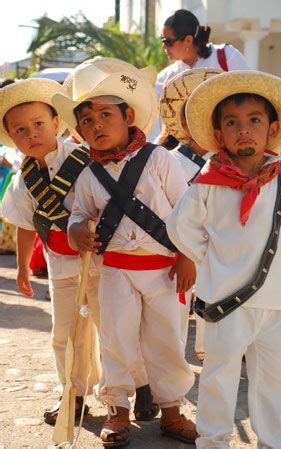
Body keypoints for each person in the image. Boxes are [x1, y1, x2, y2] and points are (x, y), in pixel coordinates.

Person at [52, 59, 197, 446]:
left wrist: (188, 256)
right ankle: (118, 411)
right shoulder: (86, 175)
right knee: (116, 340)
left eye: (104, 114)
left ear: (128, 115)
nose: (95, 125)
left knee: (166, 340)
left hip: (166, 270)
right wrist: (78, 229)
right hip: (115, 270)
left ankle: (171, 411)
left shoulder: (161, 159)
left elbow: (187, 211)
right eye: (86, 120)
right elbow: (78, 214)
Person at [166, 70, 281, 448]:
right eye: (232, 123)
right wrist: (209, 258)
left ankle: (275, 437)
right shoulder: (207, 182)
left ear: (272, 129)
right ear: (219, 133)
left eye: (254, 120)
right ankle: (213, 440)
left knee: (275, 375)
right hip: (225, 299)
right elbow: (180, 226)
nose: (244, 130)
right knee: (219, 374)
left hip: (273, 301)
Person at [0, 78, 101, 425]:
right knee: (65, 334)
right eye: (20, 130)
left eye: (39, 124)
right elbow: (25, 225)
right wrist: (23, 267)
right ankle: (73, 394)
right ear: (12, 138)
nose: (32, 134)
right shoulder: (22, 178)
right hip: (60, 266)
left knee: (112, 329)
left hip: (101, 262)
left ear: (57, 123)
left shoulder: (85, 158)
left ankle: (134, 390)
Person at [160, 66, 223, 362]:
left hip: (220, 258)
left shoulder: (228, 165)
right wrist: (186, 254)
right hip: (178, 257)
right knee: (171, 325)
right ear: (185, 121)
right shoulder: (168, 162)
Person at [148, 8, 248, 142]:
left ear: (188, 40)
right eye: (162, 40)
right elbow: (156, 129)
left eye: (168, 41)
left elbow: (249, 96)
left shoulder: (226, 57)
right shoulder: (165, 79)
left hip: (230, 142)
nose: (163, 47)